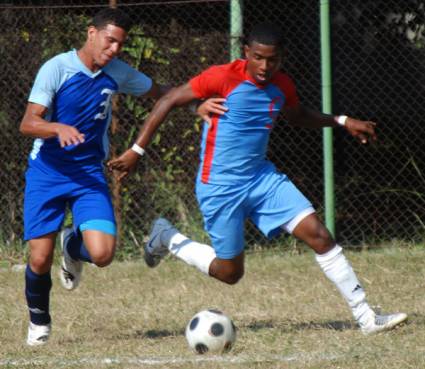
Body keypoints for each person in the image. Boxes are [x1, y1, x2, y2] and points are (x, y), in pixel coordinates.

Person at [108, 22, 407, 335]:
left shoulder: (282, 85)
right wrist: (136, 151)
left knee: (319, 234)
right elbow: (168, 100)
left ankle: (367, 318)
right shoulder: (221, 76)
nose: (265, 66)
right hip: (220, 187)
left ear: (282, 59)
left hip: (261, 179)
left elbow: (296, 116)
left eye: (273, 60)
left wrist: (341, 121)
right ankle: (167, 237)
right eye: (259, 58)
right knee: (229, 273)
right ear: (246, 53)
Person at [19, 8, 224, 346]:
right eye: (109, 40)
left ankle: (72, 243)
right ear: (91, 33)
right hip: (48, 174)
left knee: (102, 254)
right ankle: (39, 323)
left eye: (120, 44)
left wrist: (195, 105)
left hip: (88, 175)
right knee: (39, 259)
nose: (114, 49)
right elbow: (28, 122)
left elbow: (161, 92)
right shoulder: (56, 68)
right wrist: (57, 127)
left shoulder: (117, 72)